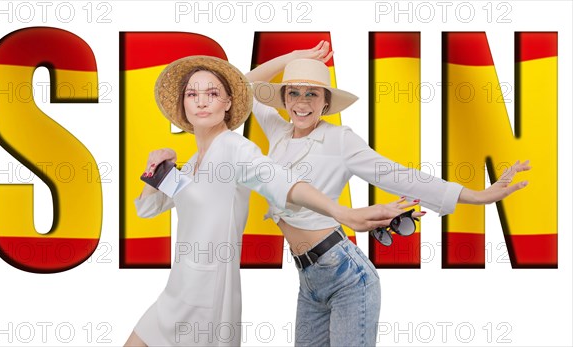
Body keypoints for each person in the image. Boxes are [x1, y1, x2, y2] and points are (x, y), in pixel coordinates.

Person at [246, 41, 531, 346]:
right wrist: (292, 57)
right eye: (294, 93)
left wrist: (477, 195)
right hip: (309, 278)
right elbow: (239, 85)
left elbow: (398, 176)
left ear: (326, 102)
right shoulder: (278, 132)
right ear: (284, 98)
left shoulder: (339, 140)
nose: (302, 103)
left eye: (312, 94)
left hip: (346, 276)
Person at [124, 56, 416, 347]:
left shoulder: (236, 150)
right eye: (192, 94)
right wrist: (155, 167)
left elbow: (282, 182)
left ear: (228, 103)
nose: (201, 102)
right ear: (183, 105)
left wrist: (340, 211)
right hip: (176, 291)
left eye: (212, 94)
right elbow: (148, 208)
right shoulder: (190, 166)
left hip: (207, 298)